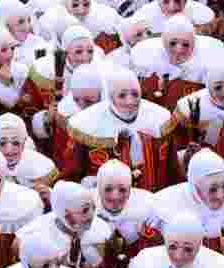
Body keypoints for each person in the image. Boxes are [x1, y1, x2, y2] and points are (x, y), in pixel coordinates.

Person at [65, 63, 175, 192]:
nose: (130, 101)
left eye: (135, 94)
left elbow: (172, 169)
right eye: (122, 95)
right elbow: (74, 173)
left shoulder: (159, 119)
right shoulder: (87, 126)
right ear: (111, 96)